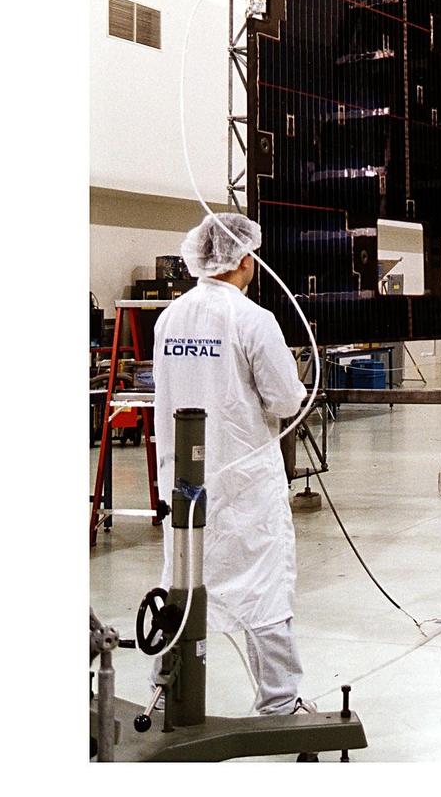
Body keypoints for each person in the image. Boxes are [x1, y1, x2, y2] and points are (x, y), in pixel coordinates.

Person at [153, 212, 312, 714]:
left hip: (184, 482)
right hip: (244, 482)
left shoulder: (170, 318)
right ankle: (280, 704)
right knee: (261, 589)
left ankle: (166, 693)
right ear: (244, 259)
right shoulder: (253, 319)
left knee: (183, 582)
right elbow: (285, 399)